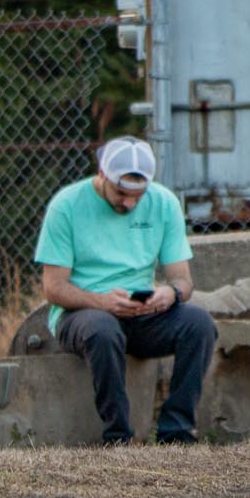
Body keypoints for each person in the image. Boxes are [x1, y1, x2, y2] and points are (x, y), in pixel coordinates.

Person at [36, 136, 216, 445]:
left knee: (199, 324)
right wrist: (101, 302)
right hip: (82, 313)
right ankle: (118, 436)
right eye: (121, 193)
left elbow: (183, 281)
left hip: (142, 313)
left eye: (138, 195)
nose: (130, 203)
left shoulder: (164, 202)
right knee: (103, 329)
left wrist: (169, 294)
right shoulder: (66, 205)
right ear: (102, 175)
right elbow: (53, 288)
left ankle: (176, 431)